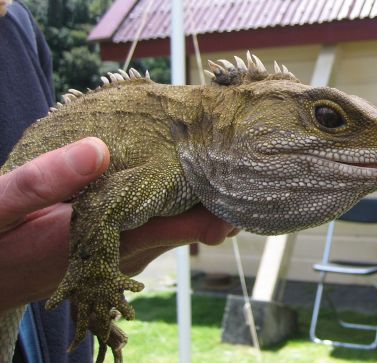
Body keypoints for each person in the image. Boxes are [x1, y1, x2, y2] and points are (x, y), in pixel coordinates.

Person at [0, 1, 236, 362]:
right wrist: (93, 286)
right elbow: (99, 208)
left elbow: (77, 206)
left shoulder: (20, 26)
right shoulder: (170, 164)